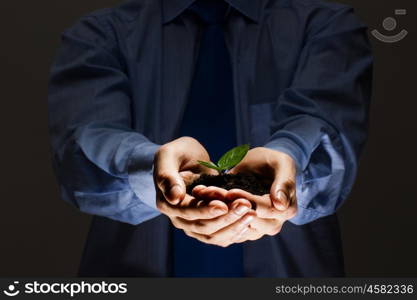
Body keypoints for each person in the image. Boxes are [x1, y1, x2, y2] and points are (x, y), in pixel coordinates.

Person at [48, 0, 373, 277]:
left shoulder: (327, 27)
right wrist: (152, 170)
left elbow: (327, 138)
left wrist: (286, 169)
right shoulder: (101, 35)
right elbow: (79, 157)